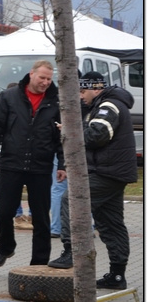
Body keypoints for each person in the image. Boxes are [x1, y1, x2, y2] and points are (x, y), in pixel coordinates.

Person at [48, 71, 136, 290]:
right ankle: (117, 275)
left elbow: (97, 135)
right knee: (111, 223)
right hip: (113, 171)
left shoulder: (109, 106)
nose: (80, 96)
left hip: (107, 172)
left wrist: (70, 132)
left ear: (95, 88)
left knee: (72, 199)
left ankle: (69, 251)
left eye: (82, 91)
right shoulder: (104, 105)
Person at [0, 60, 65, 268]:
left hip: (41, 166)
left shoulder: (56, 102)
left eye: (49, 79)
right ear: (31, 74)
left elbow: (62, 136)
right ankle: (6, 247)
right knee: (3, 212)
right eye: (42, 78)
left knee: (41, 219)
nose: (45, 82)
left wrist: (63, 164)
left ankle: (39, 262)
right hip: (12, 163)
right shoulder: (9, 97)